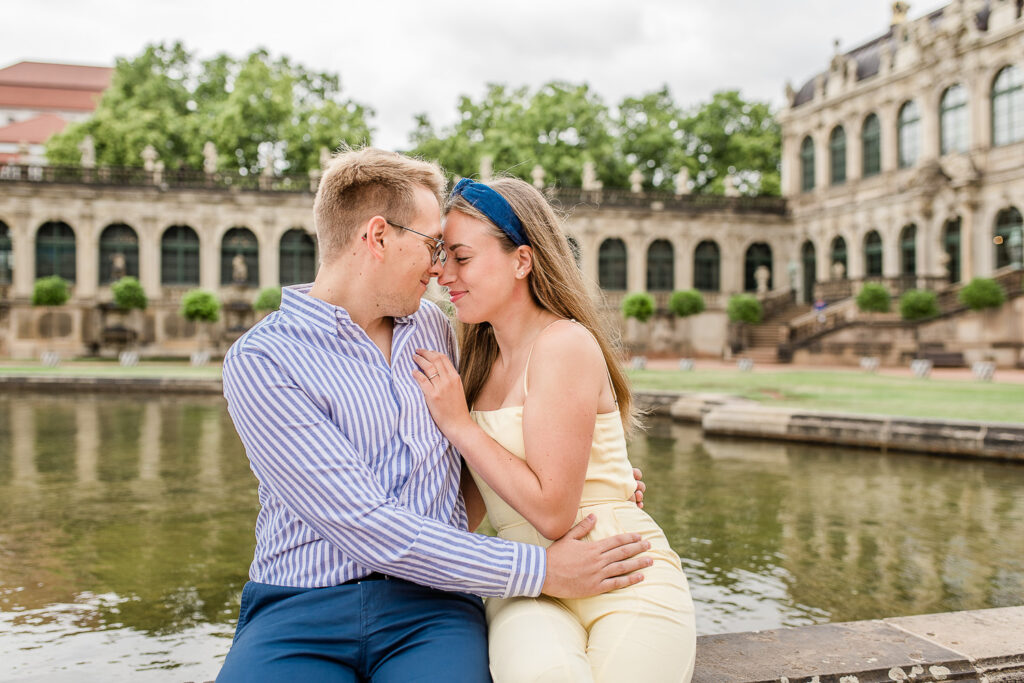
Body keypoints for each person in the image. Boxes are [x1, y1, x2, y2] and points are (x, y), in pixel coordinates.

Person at [217, 148, 653, 682]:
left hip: (432, 609)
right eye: (431, 246)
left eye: (448, 252)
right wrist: (540, 571)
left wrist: (591, 477)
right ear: (377, 237)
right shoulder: (263, 361)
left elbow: (495, 440)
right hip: (298, 607)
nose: (438, 267)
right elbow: (365, 524)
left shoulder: (442, 330)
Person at [412, 176, 697, 682]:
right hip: (529, 584)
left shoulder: (563, 343)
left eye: (462, 257)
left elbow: (553, 511)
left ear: (522, 260)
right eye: (442, 257)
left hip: (621, 568)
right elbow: (465, 512)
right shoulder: (475, 367)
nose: (444, 276)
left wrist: (459, 425)